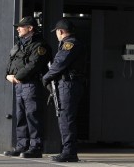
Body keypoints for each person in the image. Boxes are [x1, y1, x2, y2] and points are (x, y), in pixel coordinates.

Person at [4, 16, 51, 158]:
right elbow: (11, 62)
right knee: (21, 116)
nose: (18, 29)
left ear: (30, 28)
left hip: (31, 84)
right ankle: (21, 145)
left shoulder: (40, 45)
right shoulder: (19, 44)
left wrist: (17, 76)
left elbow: (34, 65)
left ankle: (35, 148)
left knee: (33, 115)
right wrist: (7, 75)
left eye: (21, 26)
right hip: (19, 85)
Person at [42, 18, 85, 162]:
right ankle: (68, 151)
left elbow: (59, 63)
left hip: (68, 84)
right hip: (66, 84)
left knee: (66, 118)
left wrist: (46, 77)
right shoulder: (68, 43)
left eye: (57, 32)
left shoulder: (69, 44)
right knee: (64, 117)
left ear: (60, 31)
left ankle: (69, 152)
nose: (56, 34)